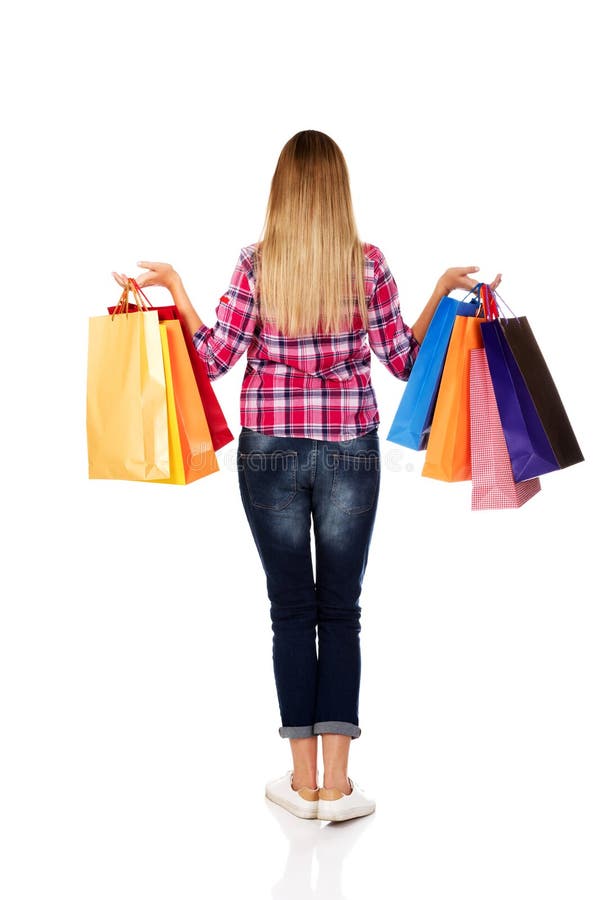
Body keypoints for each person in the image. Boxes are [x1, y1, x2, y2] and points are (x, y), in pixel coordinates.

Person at [112, 129, 501, 822]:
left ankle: (302, 784)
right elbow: (406, 362)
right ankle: (338, 788)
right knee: (341, 611)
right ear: (338, 191)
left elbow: (214, 359)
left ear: (282, 192)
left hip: (269, 452)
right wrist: (444, 289)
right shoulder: (368, 264)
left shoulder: (256, 264)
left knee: (291, 609)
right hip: (350, 447)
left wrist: (173, 285)